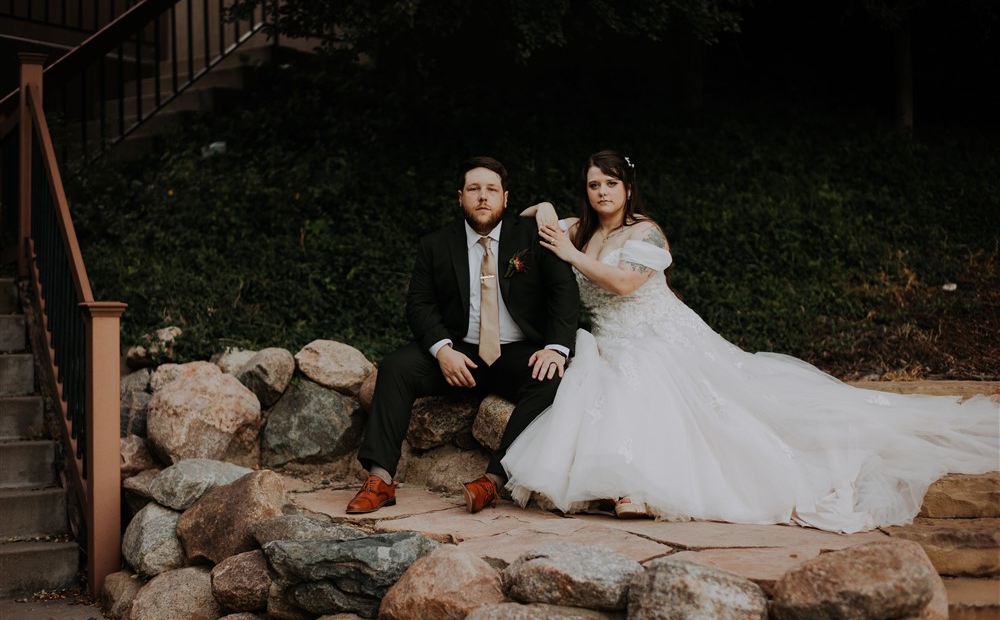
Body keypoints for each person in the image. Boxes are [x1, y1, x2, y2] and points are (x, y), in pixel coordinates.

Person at [502, 149, 998, 533]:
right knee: (599, 379)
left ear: (629, 189)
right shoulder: (577, 229)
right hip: (608, 336)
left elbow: (625, 283)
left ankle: (636, 490)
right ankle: (614, 486)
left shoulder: (645, 234)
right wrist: (548, 208)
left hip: (658, 334)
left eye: (611, 183)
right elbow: (527, 215)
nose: (601, 192)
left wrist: (567, 249)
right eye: (593, 184)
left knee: (645, 382)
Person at [347, 156, 580, 515]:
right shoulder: (436, 244)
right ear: (460, 198)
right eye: (474, 190)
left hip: (517, 352)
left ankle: (493, 481)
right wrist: (442, 351)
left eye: (491, 190)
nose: (483, 197)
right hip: (459, 354)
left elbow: (564, 292)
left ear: (506, 198)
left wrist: (556, 348)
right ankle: (380, 480)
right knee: (396, 367)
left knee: (553, 379)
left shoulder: (533, 237)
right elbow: (419, 305)